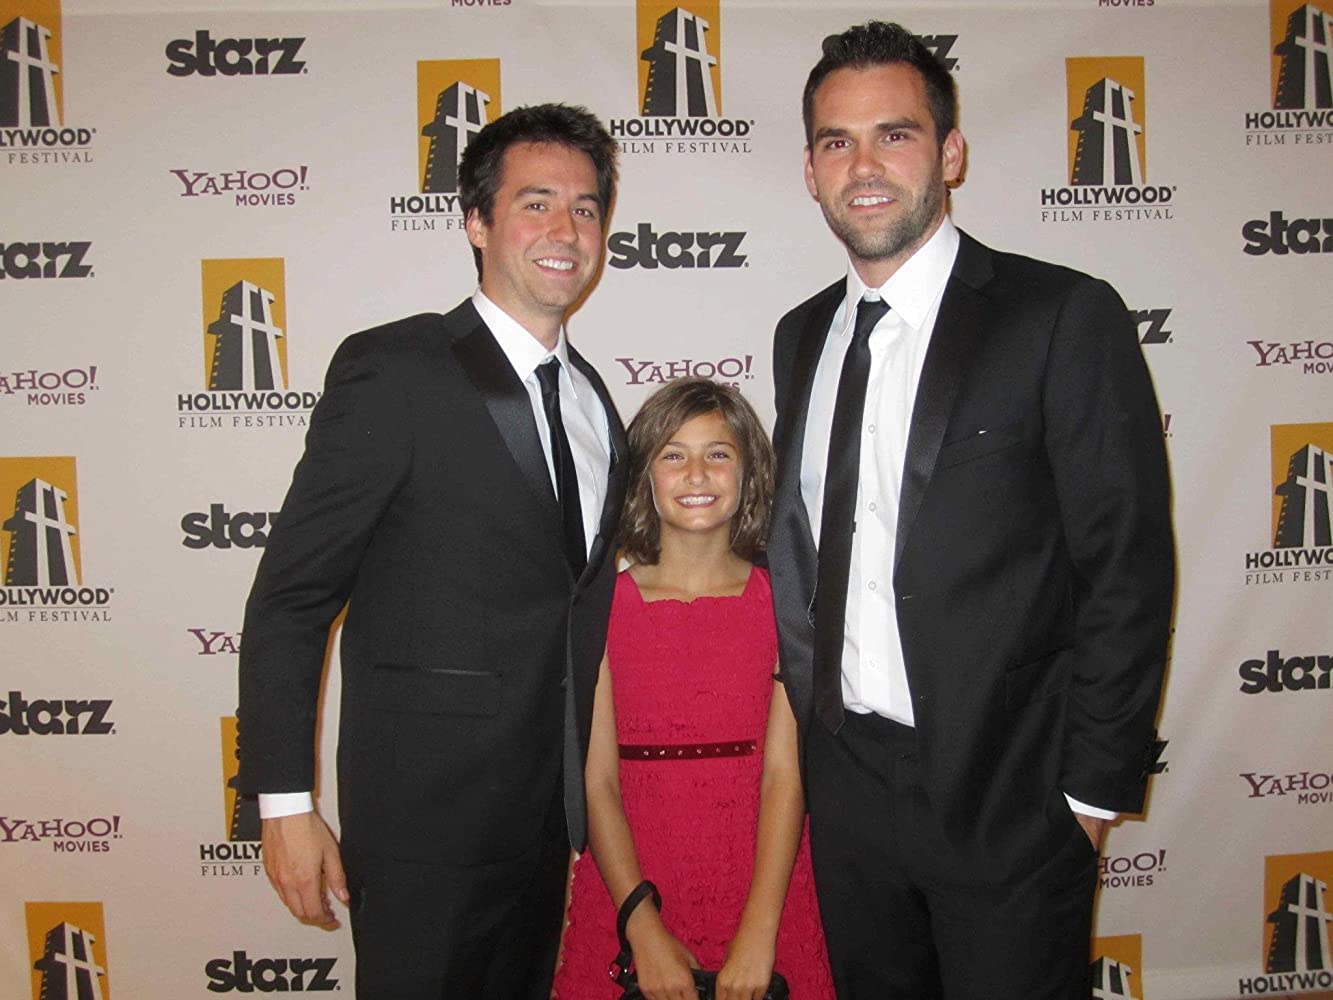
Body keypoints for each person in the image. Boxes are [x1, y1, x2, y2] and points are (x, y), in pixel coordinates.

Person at [766, 21, 1174, 1000]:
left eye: (895, 134)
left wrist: (1087, 794)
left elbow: (1124, 565)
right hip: (847, 787)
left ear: (949, 153)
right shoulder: (800, 335)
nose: (864, 166)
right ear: (810, 170)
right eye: (836, 142)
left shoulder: (1058, 315)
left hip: (1010, 794)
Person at [235, 103, 628, 999]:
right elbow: (292, 596)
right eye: (535, 203)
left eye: (585, 208)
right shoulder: (398, 368)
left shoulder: (593, 400)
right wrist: (284, 806)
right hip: (422, 822)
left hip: (545, 821)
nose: (565, 230)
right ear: (476, 222)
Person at [553, 378, 834, 1000]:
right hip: (632, 882)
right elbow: (597, 782)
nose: (697, 474)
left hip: (764, 884)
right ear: (644, 477)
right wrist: (641, 926)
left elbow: (784, 776)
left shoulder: (785, 606)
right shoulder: (601, 607)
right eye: (673, 455)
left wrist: (761, 930)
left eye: (718, 453)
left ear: (749, 473)